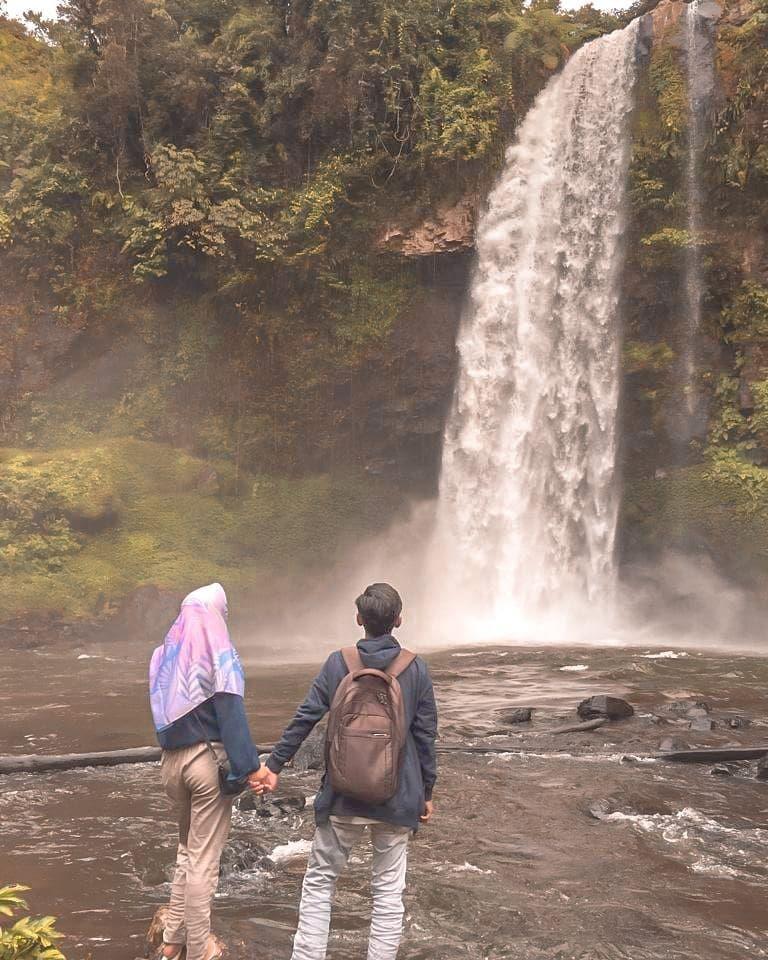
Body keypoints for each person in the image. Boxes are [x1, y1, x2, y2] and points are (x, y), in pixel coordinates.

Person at [252, 582, 438, 960]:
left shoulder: (339, 663)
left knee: (320, 883)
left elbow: (305, 717)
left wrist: (273, 766)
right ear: (398, 620)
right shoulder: (416, 669)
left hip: (342, 795)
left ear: (359, 619)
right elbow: (425, 737)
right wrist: (427, 793)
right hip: (398, 798)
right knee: (388, 890)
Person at [149, 583, 267, 960]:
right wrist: (251, 768)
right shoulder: (219, 653)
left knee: (186, 850)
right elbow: (232, 715)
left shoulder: (163, 656)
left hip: (171, 765)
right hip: (205, 764)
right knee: (204, 861)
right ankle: (200, 949)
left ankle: (172, 941)